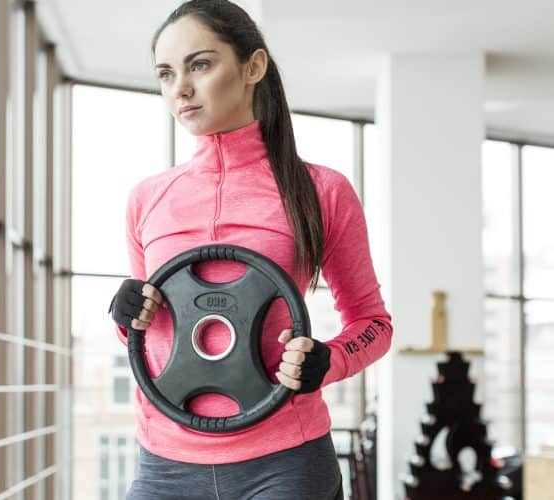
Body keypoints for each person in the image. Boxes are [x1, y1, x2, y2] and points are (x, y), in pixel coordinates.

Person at [107, 1, 394, 498]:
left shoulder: (320, 190)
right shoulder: (146, 199)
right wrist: (124, 312)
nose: (181, 88)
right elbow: (149, 334)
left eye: (200, 64)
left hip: (285, 464)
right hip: (165, 465)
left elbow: (373, 324)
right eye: (166, 74)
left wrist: (328, 360)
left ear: (252, 67)